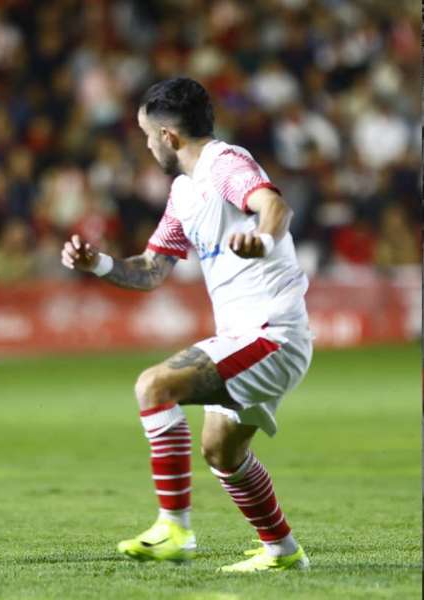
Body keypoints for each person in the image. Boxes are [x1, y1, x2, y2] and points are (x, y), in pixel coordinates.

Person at [61, 77, 312, 572]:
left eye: (147, 135)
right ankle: (283, 551)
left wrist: (261, 239)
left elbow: (274, 206)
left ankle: (174, 528)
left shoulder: (226, 165)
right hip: (246, 335)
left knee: (155, 386)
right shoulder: (183, 192)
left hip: (270, 333)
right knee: (222, 451)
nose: (147, 144)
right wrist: (100, 265)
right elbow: (153, 269)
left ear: (169, 137)